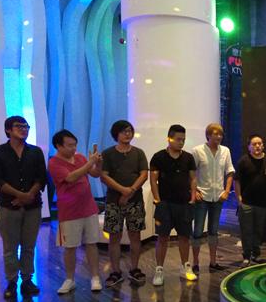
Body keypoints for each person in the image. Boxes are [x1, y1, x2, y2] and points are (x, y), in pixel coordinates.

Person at [0, 116, 46, 299]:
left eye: (26, 126)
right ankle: (12, 281)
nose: (23, 129)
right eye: (19, 126)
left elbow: (41, 178)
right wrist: (20, 196)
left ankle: (27, 280)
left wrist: (28, 195)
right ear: (8, 130)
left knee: (29, 246)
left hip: (32, 206)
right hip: (8, 205)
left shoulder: (35, 152)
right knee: (10, 247)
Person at [48, 129, 103, 294]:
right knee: (70, 247)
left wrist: (98, 163)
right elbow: (70, 177)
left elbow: (95, 174)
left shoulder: (80, 157)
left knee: (92, 243)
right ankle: (70, 279)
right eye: (70, 145)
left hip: (89, 208)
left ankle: (95, 277)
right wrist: (89, 163)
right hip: (69, 211)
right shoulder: (54, 163)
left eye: (75, 145)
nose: (74, 148)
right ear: (58, 146)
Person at [101, 120, 148, 287]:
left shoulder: (138, 153)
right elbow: (103, 176)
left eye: (129, 131)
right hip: (114, 201)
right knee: (114, 237)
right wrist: (123, 190)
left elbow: (144, 174)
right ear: (116, 134)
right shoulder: (108, 153)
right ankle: (115, 271)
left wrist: (130, 191)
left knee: (135, 235)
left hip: (135, 200)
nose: (127, 134)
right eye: (123, 131)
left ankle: (134, 268)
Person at [150, 124, 198, 284]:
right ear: (169, 138)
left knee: (184, 237)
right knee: (162, 237)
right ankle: (159, 270)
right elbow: (153, 180)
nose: (181, 142)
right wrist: (157, 200)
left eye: (183, 140)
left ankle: (185, 267)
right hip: (165, 204)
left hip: (184, 204)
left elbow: (193, 179)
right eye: (178, 139)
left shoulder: (188, 158)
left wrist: (192, 198)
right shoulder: (158, 157)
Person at [191, 123, 235, 273]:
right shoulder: (197, 151)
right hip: (202, 196)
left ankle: (213, 262)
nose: (219, 137)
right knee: (197, 231)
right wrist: (194, 191)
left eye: (221, 134)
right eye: (215, 134)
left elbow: (230, 172)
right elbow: (191, 173)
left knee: (214, 231)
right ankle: (195, 262)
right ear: (208, 135)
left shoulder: (225, 151)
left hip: (218, 197)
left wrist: (227, 191)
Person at [235, 134, 266, 267]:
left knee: (259, 230)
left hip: (263, 202)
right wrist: (239, 198)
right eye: (254, 144)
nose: (257, 146)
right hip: (246, 202)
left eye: (260, 143)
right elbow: (237, 180)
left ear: (263, 145)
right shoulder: (243, 161)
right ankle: (246, 256)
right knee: (246, 231)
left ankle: (256, 254)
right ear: (249, 147)